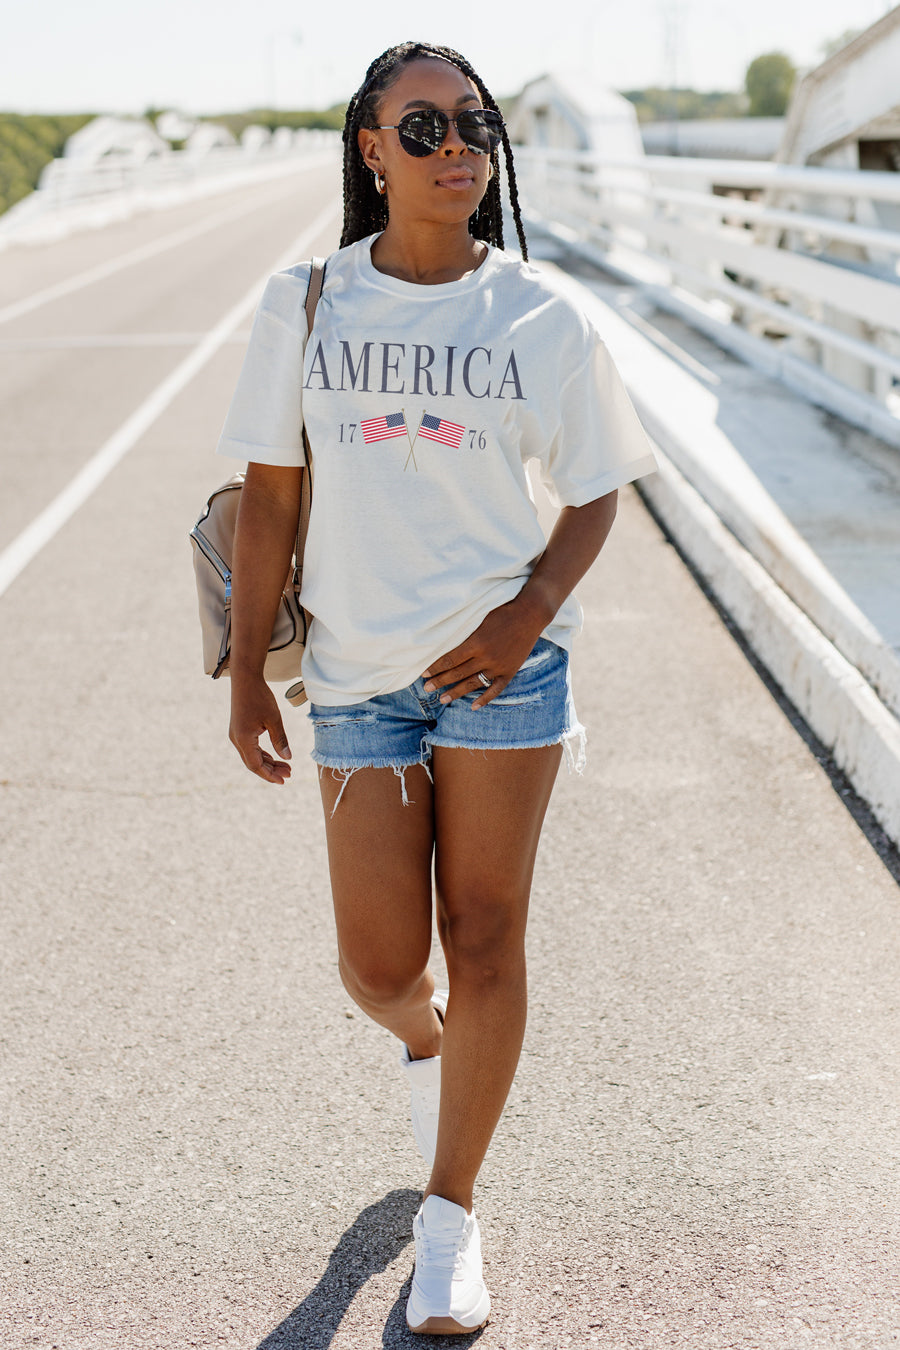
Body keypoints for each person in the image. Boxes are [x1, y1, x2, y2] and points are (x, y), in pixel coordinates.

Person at [216, 40, 656, 1337]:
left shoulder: (539, 313)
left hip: (500, 673)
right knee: (378, 962)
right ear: (369, 148)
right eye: (424, 129)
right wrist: (245, 671)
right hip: (356, 680)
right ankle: (431, 1046)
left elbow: (596, 486)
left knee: (486, 933)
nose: (456, 147)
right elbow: (269, 499)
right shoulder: (304, 303)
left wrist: (527, 616)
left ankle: (451, 1214)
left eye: (474, 126)